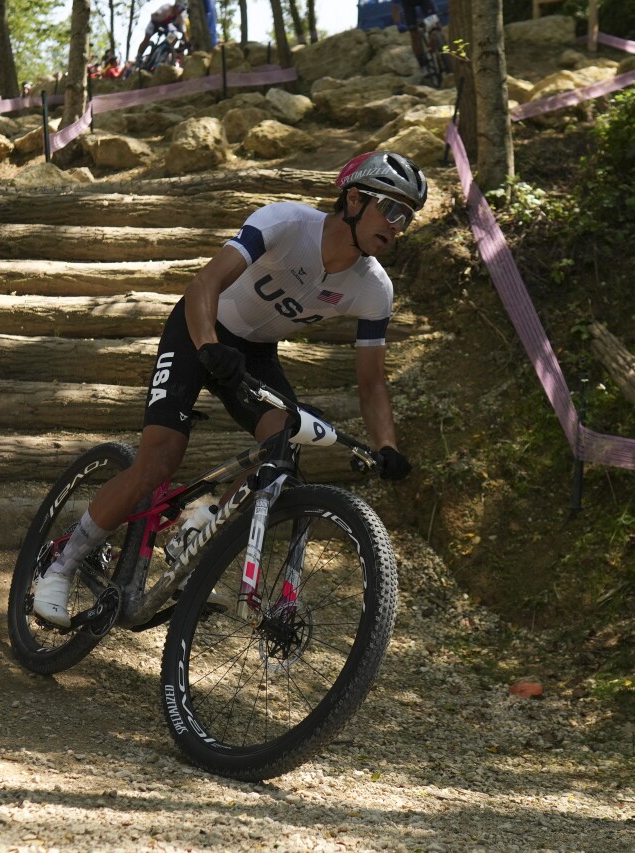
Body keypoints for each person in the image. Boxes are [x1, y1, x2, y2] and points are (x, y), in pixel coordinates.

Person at [32, 151, 427, 628]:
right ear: (355, 198)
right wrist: (208, 346)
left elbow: (371, 382)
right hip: (199, 327)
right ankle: (62, 564)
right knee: (159, 460)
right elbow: (206, 282)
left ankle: (202, 523)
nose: (399, 225)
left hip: (256, 352)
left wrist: (387, 446)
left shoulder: (374, 289)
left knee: (284, 444)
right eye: (392, 209)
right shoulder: (286, 223)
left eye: (408, 216)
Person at [391, 0, 440, 72]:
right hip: (408, 4)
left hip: (424, 2)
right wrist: (398, 23)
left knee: (435, 25)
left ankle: (439, 50)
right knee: (414, 34)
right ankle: (422, 64)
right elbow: (395, 6)